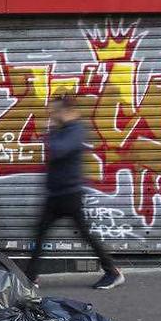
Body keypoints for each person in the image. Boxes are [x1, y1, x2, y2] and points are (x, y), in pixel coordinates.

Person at [25, 94, 125, 289]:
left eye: (55, 111)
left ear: (67, 111)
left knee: (84, 234)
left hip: (68, 195)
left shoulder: (75, 130)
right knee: (40, 233)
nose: (52, 114)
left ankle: (113, 272)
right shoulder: (64, 130)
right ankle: (30, 277)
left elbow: (57, 150)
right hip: (56, 195)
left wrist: (52, 130)